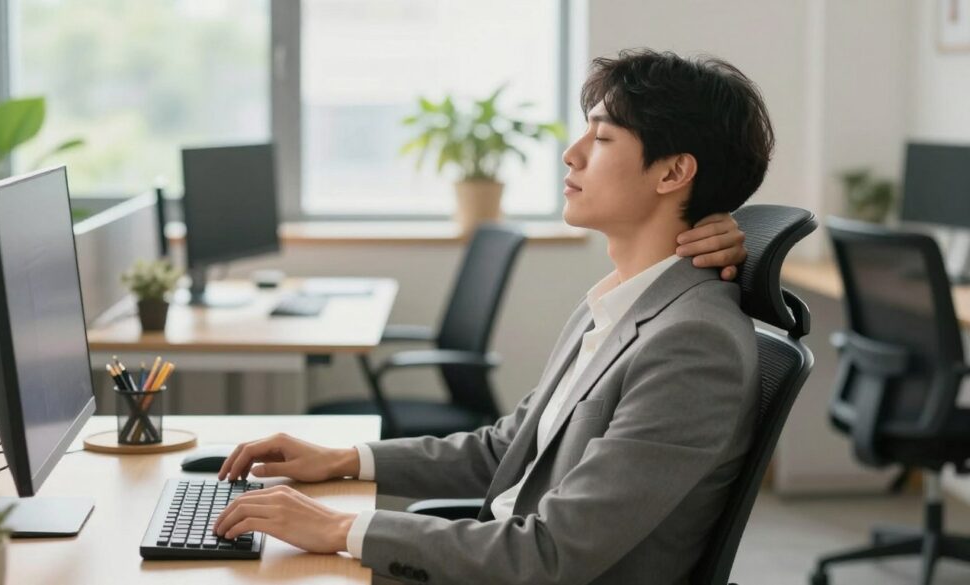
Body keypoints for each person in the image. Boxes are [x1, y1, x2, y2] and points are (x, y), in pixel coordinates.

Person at [214, 48, 772, 585]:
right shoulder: (617, 303)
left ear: (673, 173)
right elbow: (507, 449)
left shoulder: (693, 344)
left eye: (602, 138)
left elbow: (551, 554)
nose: (571, 153)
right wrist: (341, 459)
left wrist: (339, 527)